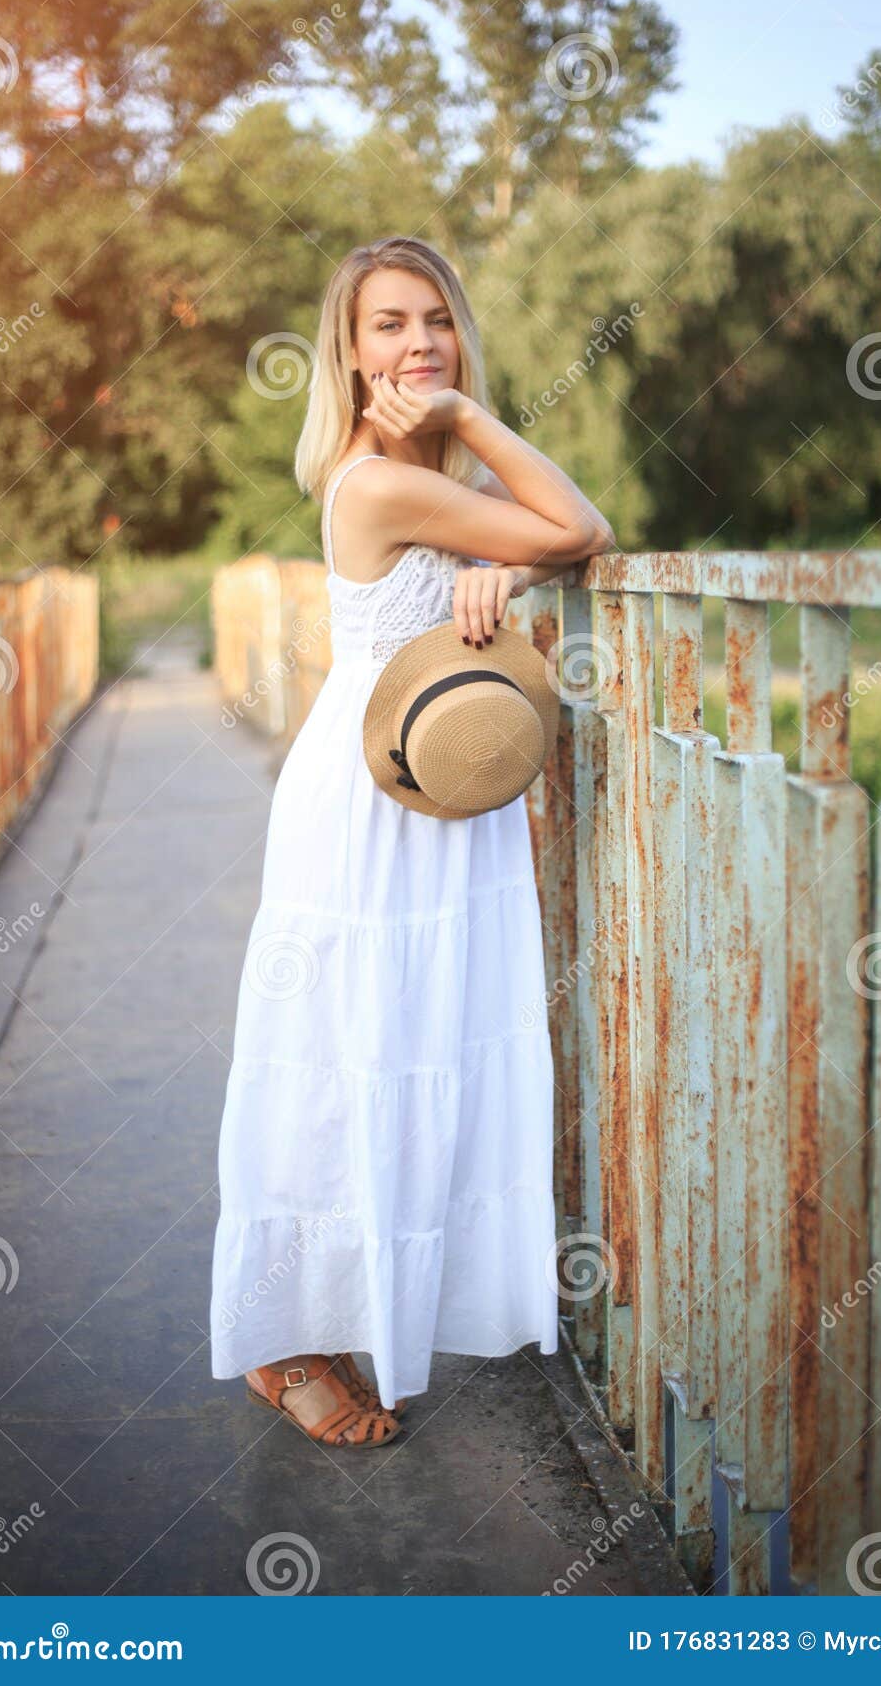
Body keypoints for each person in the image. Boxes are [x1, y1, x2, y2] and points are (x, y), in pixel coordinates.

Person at [209, 235, 614, 1449]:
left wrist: (499, 576)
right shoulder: (375, 477)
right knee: (344, 1045)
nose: (417, 345)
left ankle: (348, 1303)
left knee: (414, 1035)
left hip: (442, 782)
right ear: (348, 348)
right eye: (388, 324)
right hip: (372, 794)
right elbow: (579, 524)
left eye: (435, 320)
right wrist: (486, 448)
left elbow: (533, 548)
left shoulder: (420, 466)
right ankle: (279, 1340)